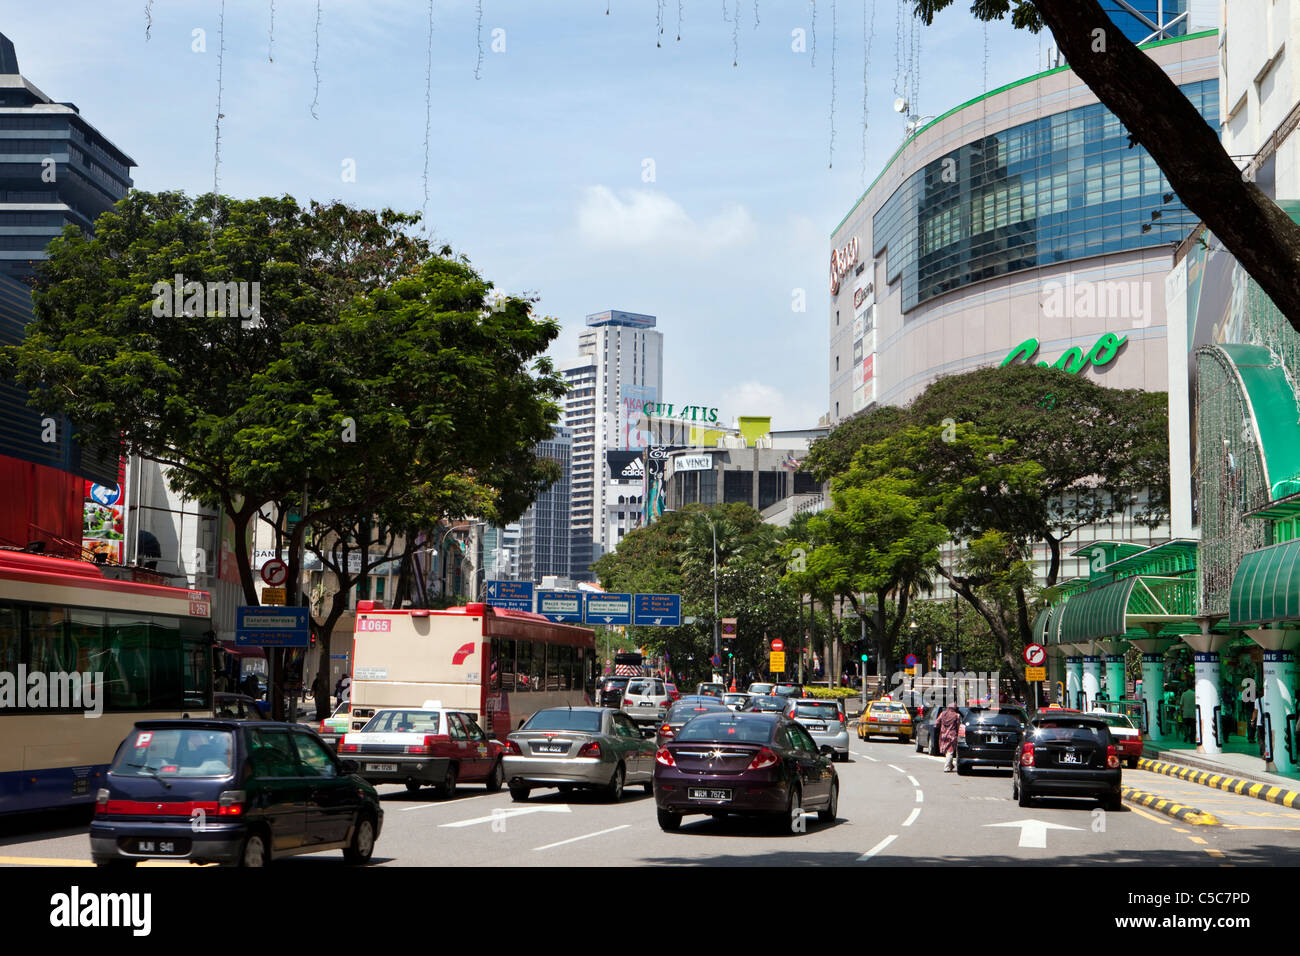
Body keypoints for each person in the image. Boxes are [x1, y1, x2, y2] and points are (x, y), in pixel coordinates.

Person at [937, 701, 962, 772]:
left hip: (943, 735)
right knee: (950, 751)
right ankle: (947, 767)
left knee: (946, 750)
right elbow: (958, 726)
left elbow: (937, 723)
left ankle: (950, 765)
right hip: (952, 736)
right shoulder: (957, 715)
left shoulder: (943, 714)